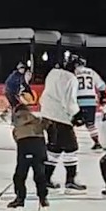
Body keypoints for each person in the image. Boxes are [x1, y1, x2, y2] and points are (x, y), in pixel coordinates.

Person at [39, 61, 85, 192]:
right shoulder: (71, 78)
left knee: (55, 148)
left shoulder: (52, 73)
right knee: (72, 148)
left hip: (47, 115)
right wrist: (77, 114)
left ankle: (46, 178)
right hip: (60, 118)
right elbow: (69, 100)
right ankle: (70, 180)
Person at [8, 82, 48, 210]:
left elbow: (16, 138)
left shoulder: (16, 125)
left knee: (20, 175)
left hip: (25, 146)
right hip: (39, 147)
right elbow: (47, 125)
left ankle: (20, 198)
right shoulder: (37, 121)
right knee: (40, 174)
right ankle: (43, 198)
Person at [73, 57, 106, 149]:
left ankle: (69, 141)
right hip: (91, 100)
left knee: (70, 122)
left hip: (77, 100)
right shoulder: (91, 72)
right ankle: (97, 142)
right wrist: (102, 97)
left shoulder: (73, 72)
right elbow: (101, 85)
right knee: (90, 124)